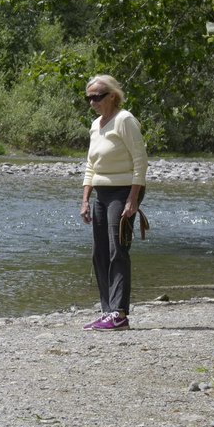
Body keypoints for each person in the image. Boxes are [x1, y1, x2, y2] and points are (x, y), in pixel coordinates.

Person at [77, 75, 146, 330]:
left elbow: (140, 160)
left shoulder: (125, 120)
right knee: (100, 253)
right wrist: (85, 199)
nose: (92, 102)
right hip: (101, 194)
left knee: (118, 249)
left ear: (112, 96)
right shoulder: (96, 125)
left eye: (97, 97)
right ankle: (107, 310)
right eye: (89, 98)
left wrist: (133, 198)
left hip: (123, 190)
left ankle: (119, 313)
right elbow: (91, 165)